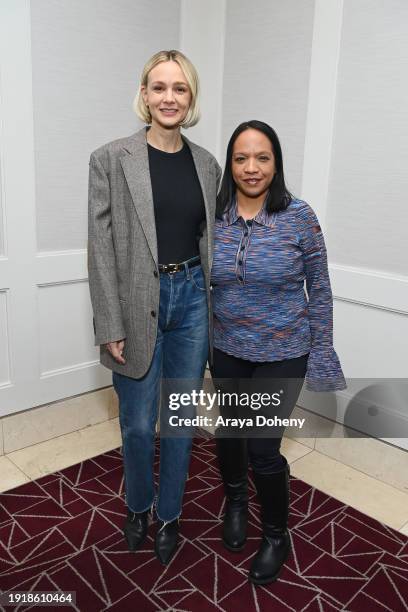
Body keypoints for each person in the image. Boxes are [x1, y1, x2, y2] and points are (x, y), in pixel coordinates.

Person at [87, 50, 220, 565]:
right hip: (136, 302)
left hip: (191, 303)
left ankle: (169, 515)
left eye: (180, 89)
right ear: (144, 94)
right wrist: (109, 322)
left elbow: (212, 243)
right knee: (139, 423)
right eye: (159, 87)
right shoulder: (110, 159)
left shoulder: (206, 164)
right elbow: (99, 247)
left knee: (180, 421)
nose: (169, 97)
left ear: (191, 100)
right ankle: (138, 506)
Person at [210, 120, 346, 585]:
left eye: (262, 158)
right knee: (229, 434)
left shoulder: (299, 216)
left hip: (283, 350)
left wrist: (322, 350)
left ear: (276, 163)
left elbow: (321, 287)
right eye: (241, 158)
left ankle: (275, 535)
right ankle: (235, 504)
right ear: (230, 164)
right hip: (225, 346)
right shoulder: (215, 214)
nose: (252, 168)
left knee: (264, 449)